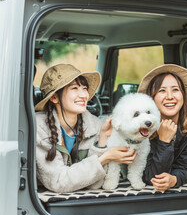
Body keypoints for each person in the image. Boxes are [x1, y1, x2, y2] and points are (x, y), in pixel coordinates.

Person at [35, 64, 136, 193]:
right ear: (54, 97)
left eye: (84, 88)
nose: (83, 95)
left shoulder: (95, 125)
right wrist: (105, 157)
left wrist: (103, 139)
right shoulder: (39, 127)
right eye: (75, 88)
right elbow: (58, 181)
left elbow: (94, 185)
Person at [137, 64, 187, 192]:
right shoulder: (140, 129)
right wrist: (164, 142)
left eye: (175, 90)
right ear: (151, 98)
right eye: (162, 91)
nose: (169, 96)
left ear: (183, 95)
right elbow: (151, 177)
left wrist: (174, 179)